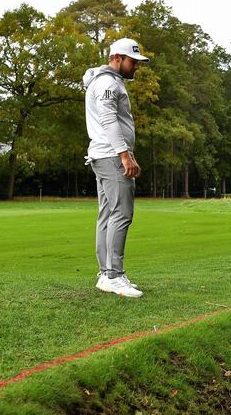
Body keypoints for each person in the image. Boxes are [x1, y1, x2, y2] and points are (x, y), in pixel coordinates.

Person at [82, 38, 149, 298]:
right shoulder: (109, 83)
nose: (137, 67)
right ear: (117, 58)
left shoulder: (105, 80)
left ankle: (106, 274)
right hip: (111, 156)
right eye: (133, 62)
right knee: (121, 214)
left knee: (108, 215)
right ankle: (113, 275)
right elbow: (109, 120)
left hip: (103, 155)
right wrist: (125, 156)